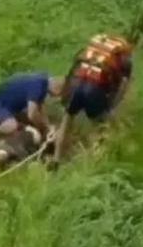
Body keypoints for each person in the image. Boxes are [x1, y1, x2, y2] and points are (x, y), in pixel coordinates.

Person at [53, 35, 133, 163]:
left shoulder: (92, 50)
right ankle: (95, 163)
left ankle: (56, 160)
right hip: (94, 89)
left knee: (67, 121)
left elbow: (72, 71)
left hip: (75, 84)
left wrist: (64, 94)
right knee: (101, 128)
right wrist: (113, 107)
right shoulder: (125, 59)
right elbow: (123, 86)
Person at [0, 72, 64, 138]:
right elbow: (32, 114)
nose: (56, 97)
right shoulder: (37, 86)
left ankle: (18, 122)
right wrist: (43, 128)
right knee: (11, 127)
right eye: (59, 95)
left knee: (30, 117)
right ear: (58, 88)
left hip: (10, 105)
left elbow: (40, 108)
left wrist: (48, 126)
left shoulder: (44, 81)